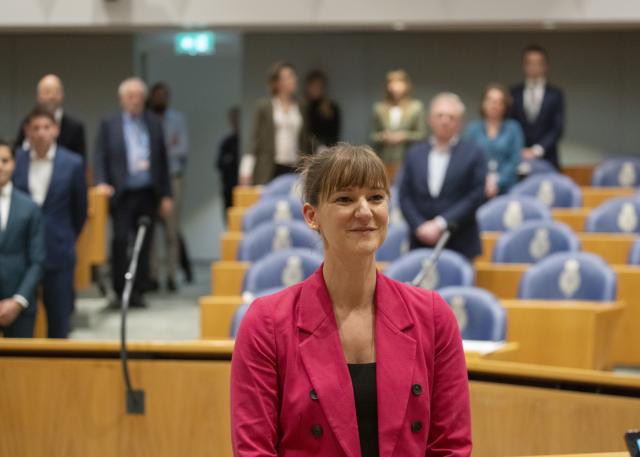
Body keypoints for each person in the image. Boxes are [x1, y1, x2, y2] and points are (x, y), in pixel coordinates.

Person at [231, 143, 472, 457]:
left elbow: (451, 447)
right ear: (311, 215)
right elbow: (254, 452)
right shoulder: (266, 322)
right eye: (345, 198)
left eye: (375, 197)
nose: (364, 211)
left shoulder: (434, 315)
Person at [94, 77, 173, 308]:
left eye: (138, 96)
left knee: (144, 243)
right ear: (121, 99)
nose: (134, 100)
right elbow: (100, 156)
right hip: (121, 193)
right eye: (130, 96)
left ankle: (138, 290)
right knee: (120, 241)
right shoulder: (109, 123)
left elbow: (163, 161)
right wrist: (101, 182)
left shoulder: (153, 123)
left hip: (148, 191)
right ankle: (120, 290)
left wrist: (166, 195)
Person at [13, 107, 87, 338]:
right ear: (27, 131)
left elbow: (80, 211)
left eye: (46, 127)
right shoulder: (16, 160)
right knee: (22, 323)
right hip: (22, 255)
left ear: (56, 129)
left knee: (59, 322)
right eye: (35, 128)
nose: (41, 133)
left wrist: (65, 237)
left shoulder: (73, 163)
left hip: (59, 251)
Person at [399, 93, 487, 260]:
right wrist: (419, 226)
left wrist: (440, 224)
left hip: (460, 242)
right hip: (419, 241)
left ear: (459, 123)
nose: (445, 121)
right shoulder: (414, 153)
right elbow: (404, 196)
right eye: (440, 115)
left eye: (451, 117)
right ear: (430, 119)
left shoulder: (474, 153)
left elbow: (476, 195)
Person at [147, 82, 191, 291]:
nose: (160, 99)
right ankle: (153, 275)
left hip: (173, 177)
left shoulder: (177, 119)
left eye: (164, 95)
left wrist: (160, 153)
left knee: (172, 231)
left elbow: (181, 149)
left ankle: (172, 275)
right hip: (151, 180)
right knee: (151, 231)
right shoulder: (146, 120)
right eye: (157, 95)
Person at [0, 140, 46, 338]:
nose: (0, 166)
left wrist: (18, 300)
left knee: (20, 365)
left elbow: (38, 260)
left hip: (19, 304)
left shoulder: (29, 207)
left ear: (14, 163)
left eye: (5, 160)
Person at [239, 61, 311, 185]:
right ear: (277, 82)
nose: (294, 79)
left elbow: (306, 139)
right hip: (270, 168)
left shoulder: (301, 107)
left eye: (293, 76)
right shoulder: (264, 107)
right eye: (288, 77)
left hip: (295, 167)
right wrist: (246, 169)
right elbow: (254, 139)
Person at [510, 44, 565, 169]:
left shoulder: (555, 94)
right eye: (530, 63)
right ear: (524, 65)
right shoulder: (514, 93)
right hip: (519, 157)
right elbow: (511, 125)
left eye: (538, 63)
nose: (533, 67)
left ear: (545, 66)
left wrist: (537, 150)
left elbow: (557, 128)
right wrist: (520, 149)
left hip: (548, 157)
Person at [465, 83, 524, 197]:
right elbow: (469, 159)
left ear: (505, 105)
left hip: (508, 187)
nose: (494, 105)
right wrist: (485, 181)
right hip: (479, 186)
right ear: (483, 103)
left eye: (499, 102)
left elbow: (514, 160)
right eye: (490, 100)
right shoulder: (473, 129)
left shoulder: (513, 128)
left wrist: (498, 182)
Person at [15, 74, 87, 162]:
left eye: (56, 92)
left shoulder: (75, 127)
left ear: (57, 129)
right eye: (47, 92)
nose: (51, 97)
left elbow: (80, 162)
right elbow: (17, 153)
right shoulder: (27, 121)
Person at [370, 69, 426, 177]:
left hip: (408, 159)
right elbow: (373, 136)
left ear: (406, 85)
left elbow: (422, 135)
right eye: (391, 82)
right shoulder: (379, 108)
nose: (395, 86)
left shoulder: (416, 107)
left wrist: (404, 136)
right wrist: (383, 136)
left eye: (399, 82)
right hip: (384, 160)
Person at [303, 69, 341, 151]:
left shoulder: (332, 108)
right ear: (308, 87)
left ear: (323, 88)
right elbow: (304, 133)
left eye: (319, 86)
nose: (316, 89)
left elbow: (335, 134)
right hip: (308, 152)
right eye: (313, 86)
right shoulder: (303, 108)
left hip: (328, 151)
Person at [217, 107, 240, 213]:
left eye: (237, 118)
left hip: (245, 187)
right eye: (233, 118)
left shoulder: (247, 142)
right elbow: (219, 164)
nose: (235, 121)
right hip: (229, 186)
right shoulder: (226, 142)